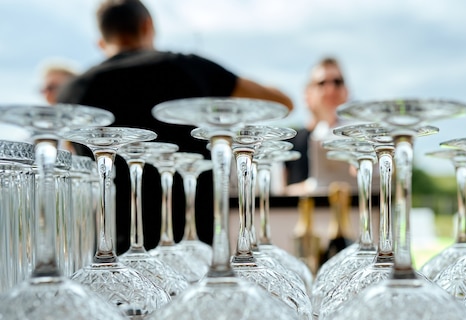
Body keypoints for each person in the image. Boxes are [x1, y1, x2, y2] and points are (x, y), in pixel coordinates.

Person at [57, 0, 293, 253]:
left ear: (101, 42)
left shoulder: (72, 92)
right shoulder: (187, 67)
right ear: (148, 26)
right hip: (194, 245)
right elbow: (281, 103)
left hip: (113, 250)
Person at [284, 57, 354, 196]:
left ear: (346, 91)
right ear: (307, 94)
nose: (331, 89)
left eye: (337, 82)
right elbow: (277, 193)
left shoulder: (357, 139)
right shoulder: (288, 143)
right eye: (322, 83)